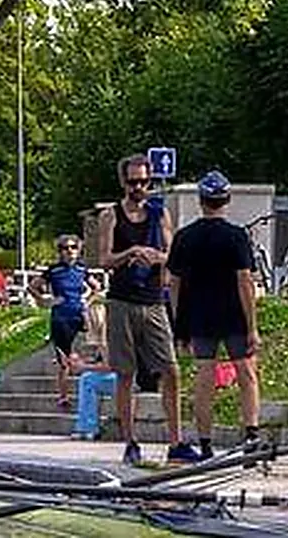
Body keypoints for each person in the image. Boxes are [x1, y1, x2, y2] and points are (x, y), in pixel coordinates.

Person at [166, 170, 262, 463]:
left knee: (204, 379)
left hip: (199, 316)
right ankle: (251, 435)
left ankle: (205, 443)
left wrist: (179, 326)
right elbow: (244, 281)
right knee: (247, 374)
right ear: (227, 200)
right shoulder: (236, 236)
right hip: (233, 314)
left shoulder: (185, 237)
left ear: (201, 200)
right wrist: (252, 326)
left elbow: (174, 285)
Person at [97, 153, 182, 467]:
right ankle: (130, 440)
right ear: (123, 182)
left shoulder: (159, 214)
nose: (139, 188)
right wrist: (130, 252)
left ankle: (176, 441)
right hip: (121, 300)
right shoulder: (111, 215)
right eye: (133, 182)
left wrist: (156, 257)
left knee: (170, 369)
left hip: (153, 299)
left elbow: (171, 254)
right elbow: (104, 259)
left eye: (144, 181)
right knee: (125, 373)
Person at [37, 233, 93, 410]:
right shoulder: (54, 270)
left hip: (79, 314)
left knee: (89, 350)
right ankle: (63, 396)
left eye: (72, 248)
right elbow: (33, 286)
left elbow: (97, 287)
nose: (69, 251)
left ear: (78, 250)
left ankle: (88, 389)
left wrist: (87, 301)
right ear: (59, 252)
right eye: (64, 248)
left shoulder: (82, 269)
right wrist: (44, 300)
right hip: (60, 316)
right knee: (63, 358)